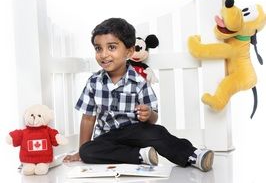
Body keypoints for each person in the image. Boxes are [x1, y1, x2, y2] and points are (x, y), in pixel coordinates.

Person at [63, 17, 214, 172]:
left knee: (157, 132)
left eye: (111, 47)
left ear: (129, 51)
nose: (103, 54)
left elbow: (154, 118)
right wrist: (81, 150)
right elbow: (88, 118)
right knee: (88, 152)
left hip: (136, 134)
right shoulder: (94, 82)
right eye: (98, 48)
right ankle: (140, 156)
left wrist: (148, 114)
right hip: (107, 139)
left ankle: (192, 155)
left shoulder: (138, 82)